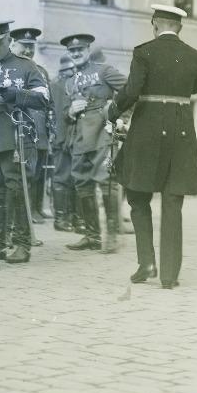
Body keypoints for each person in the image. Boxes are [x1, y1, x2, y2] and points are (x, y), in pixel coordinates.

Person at [108, 4, 197, 289]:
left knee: (138, 196)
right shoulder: (195, 56)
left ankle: (146, 262)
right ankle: (170, 275)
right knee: (173, 201)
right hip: (182, 131)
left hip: (148, 131)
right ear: (179, 28)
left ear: (155, 25)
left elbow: (133, 90)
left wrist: (113, 110)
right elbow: (196, 88)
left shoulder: (143, 52)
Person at [0, 20, 49, 264]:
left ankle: (21, 243)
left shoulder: (26, 66)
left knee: (18, 190)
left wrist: (17, 95)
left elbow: (43, 97)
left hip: (17, 136)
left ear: (9, 41)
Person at [62, 33, 127, 253]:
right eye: (72, 51)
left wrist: (121, 118)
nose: (76, 53)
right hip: (80, 138)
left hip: (103, 135)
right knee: (82, 183)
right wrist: (70, 112)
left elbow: (130, 91)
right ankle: (92, 236)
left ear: (88, 50)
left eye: (80, 49)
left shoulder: (103, 71)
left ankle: (112, 236)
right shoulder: (69, 81)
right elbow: (64, 112)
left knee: (107, 182)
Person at [10, 27, 53, 224]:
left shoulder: (41, 71)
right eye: (23, 46)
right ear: (12, 44)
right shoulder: (11, 69)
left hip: (40, 128)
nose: (28, 51)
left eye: (31, 47)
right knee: (23, 174)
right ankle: (23, 216)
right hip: (20, 128)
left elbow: (48, 101)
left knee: (39, 172)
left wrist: (50, 127)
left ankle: (36, 208)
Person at [49, 54, 77, 232]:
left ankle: (69, 217)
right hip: (63, 138)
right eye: (69, 70)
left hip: (67, 138)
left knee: (70, 178)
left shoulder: (56, 84)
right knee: (62, 177)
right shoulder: (62, 85)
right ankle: (61, 218)